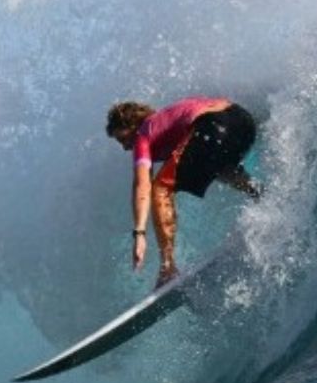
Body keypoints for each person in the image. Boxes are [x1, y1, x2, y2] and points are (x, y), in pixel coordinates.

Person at [106, 97, 260, 288]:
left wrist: (139, 234)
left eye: (122, 138)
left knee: (160, 187)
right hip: (243, 123)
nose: (125, 147)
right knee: (216, 166)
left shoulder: (143, 134)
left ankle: (168, 268)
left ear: (132, 125)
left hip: (211, 124)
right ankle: (262, 196)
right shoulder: (167, 120)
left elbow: (142, 184)